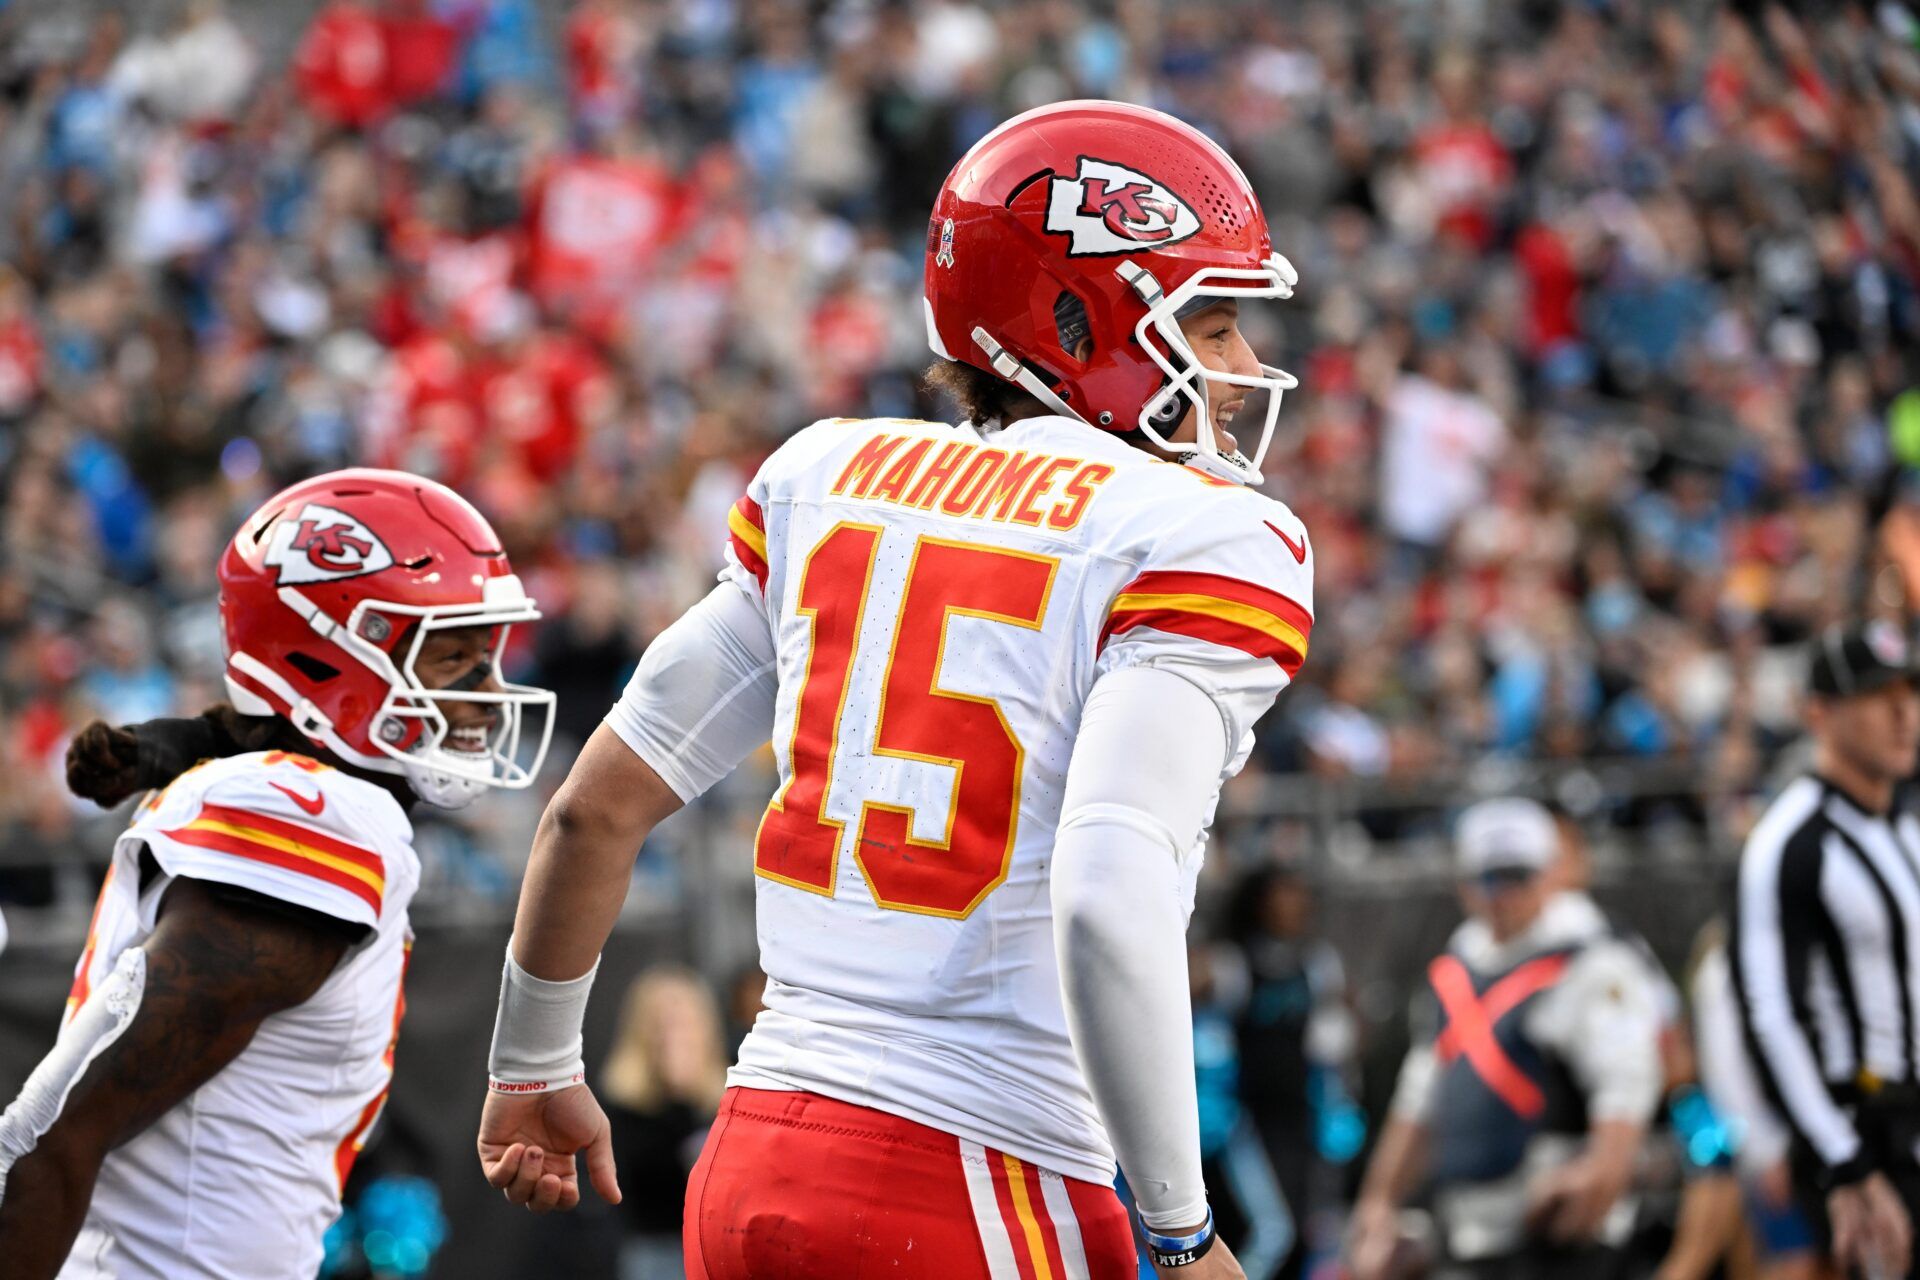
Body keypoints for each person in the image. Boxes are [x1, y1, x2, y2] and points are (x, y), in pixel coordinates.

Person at [476, 98, 1315, 1280]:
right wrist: (1181, 1233)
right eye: (1213, 324)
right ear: (1083, 317)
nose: (1239, 369)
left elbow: (593, 808)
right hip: (981, 1178)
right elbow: (1107, 894)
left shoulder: (831, 475)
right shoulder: (1200, 535)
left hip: (753, 1156)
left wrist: (531, 1064)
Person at [0, 469, 554, 1280]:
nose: (489, 695)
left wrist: (184, 738)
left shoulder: (295, 793)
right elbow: (50, 1134)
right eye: (454, 655)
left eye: (489, 653)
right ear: (326, 655)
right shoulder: (306, 815)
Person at [1347, 798, 1663, 1280]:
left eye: (1520, 876)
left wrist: (1601, 1169)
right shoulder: (1458, 966)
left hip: (1558, 1229)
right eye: (1491, 878)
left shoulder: (1589, 957)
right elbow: (1420, 1097)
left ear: (1549, 873)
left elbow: (1627, 1082)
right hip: (1471, 1224)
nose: (1505, 895)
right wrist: (1378, 1203)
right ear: (1466, 885)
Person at [1728, 620, 1920, 1280]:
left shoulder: (1904, 830)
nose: (1904, 714)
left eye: (1911, 691)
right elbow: (1769, 1013)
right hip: (1867, 1127)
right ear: (1818, 713)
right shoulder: (1792, 841)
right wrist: (1844, 1164)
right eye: (1876, 696)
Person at [601, 968, 730, 1280]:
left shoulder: (727, 1094)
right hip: (658, 1252)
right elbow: (645, 1185)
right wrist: (679, 1097)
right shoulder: (624, 1099)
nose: (677, 1038)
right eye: (665, 1026)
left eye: (686, 1024)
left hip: (717, 1252)